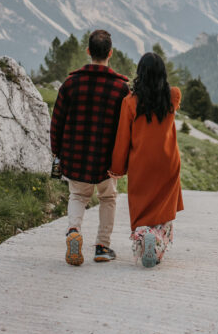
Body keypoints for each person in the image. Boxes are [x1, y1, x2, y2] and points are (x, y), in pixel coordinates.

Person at [49, 30, 130, 266]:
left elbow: (57, 122)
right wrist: (123, 160)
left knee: (78, 195)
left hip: (75, 157)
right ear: (110, 53)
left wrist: (57, 152)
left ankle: (74, 230)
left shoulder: (71, 84)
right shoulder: (121, 88)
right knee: (108, 198)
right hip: (106, 161)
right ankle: (102, 246)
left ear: (88, 52)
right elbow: (125, 128)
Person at [109, 52, 184, 268]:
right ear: (163, 73)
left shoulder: (130, 102)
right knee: (162, 208)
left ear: (140, 73)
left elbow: (123, 137)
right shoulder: (173, 96)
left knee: (142, 207)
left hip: (141, 163)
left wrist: (117, 168)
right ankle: (158, 239)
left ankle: (144, 234)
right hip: (168, 163)